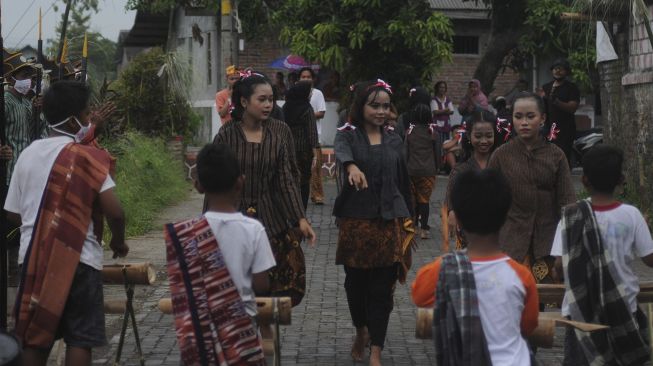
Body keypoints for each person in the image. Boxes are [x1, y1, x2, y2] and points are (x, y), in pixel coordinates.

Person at [5, 81, 128, 366]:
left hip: (32, 260)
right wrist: (118, 241)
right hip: (80, 260)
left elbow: (13, 213)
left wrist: (45, 218)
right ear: (74, 121)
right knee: (80, 339)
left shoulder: (27, 154)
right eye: (87, 115)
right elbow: (116, 212)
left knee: (34, 338)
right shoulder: (87, 157)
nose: (89, 121)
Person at [412, 169, 539, 366]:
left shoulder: (440, 271)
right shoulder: (522, 275)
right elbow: (529, 325)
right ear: (505, 218)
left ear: (459, 220)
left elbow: (419, 296)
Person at [164, 143, 275, 364]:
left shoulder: (185, 235)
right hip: (241, 333)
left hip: (199, 340)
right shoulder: (254, 230)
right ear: (240, 183)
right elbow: (261, 284)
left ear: (198, 186)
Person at [212, 71, 316, 307]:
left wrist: (300, 218)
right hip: (234, 219)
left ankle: (267, 335)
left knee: (271, 290)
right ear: (244, 102)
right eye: (262, 99)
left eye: (271, 99)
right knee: (235, 289)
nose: (268, 104)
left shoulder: (280, 132)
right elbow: (215, 182)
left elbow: (287, 178)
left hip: (272, 219)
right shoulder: (227, 135)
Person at [333, 79, 414, 366]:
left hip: (388, 222)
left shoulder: (395, 138)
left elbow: (404, 180)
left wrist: (411, 219)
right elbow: (342, 152)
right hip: (356, 222)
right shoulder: (348, 135)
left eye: (385, 106)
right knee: (355, 286)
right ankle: (360, 331)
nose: (381, 111)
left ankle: (376, 349)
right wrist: (351, 166)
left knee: (382, 289)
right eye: (374, 106)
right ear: (361, 106)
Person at [550, 145, 653, 365]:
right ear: (620, 179)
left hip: (580, 315)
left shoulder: (570, 217)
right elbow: (649, 259)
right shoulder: (632, 215)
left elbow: (559, 265)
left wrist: (558, 271)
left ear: (584, 180)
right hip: (623, 309)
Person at [488, 92, 576, 283]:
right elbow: (489, 201)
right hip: (510, 241)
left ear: (542, 118)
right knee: (512, 301)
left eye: (530, 116)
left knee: (548, 302)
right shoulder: (500, 156)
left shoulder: (556, 155)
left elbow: (568, 203)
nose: (524, 122)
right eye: (518, 117)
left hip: (548, 243)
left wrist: (566, 246)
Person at [2, 50, 48, 292]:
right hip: (8, 169)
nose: (27, 80)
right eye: (22, 75)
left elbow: (38, 132)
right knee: (10, 220)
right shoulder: (5, 102)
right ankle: (10, 270)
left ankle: (22, 268)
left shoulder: (27, 102)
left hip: (26, 168)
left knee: (24, 219)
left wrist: (40, 112)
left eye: (29, 75)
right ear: (11, 79)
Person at [446, 110, 500, 249]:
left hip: (499, 231)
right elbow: (451, 193)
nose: (483, 141)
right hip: (469, 231)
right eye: (478, 136)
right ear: (469, 136)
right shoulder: (461, 168)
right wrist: (452, 211)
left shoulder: (501, 163)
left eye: (489, 136)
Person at [283, 81, 319, 209]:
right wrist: (315, 154)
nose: (310, 95)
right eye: (310, 92)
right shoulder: (307, 109)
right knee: (303, 182)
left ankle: (291, 209)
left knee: (290, 180)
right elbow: (312, 132)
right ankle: (301, 211)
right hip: (304, 152)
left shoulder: (286, 107)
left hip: (287, 149)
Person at [405, 104, 439, 239]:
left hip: (411, 170)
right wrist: (437, 166)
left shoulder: (409, 133)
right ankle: (424, 229)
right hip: (428, 171)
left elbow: (405, 152)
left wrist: (404, 167)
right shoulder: (432, 133)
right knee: (424, 200)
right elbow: (437, 153)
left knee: (413, 199)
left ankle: (413, 226)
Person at [540, 58, 580, 166]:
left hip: (565, 129)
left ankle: (563, 179)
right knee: (547, 156)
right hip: (548, 128)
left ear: (566, 71)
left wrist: (558, 103)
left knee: (562, 156)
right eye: (555, 68)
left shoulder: (571, 88)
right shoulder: (546, 87)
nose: (557, 71)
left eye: (561, 69)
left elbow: (573, 107)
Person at [299, 67, 327, 205]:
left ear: (313, 79)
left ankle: (317, 195)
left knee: (315, 168)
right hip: (298, 137)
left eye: (308, 76)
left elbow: (321, 112)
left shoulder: (317, 94)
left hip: (315, 136)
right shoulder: (295, 93)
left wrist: (306, 115)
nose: (305, 79)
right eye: (303, 77)